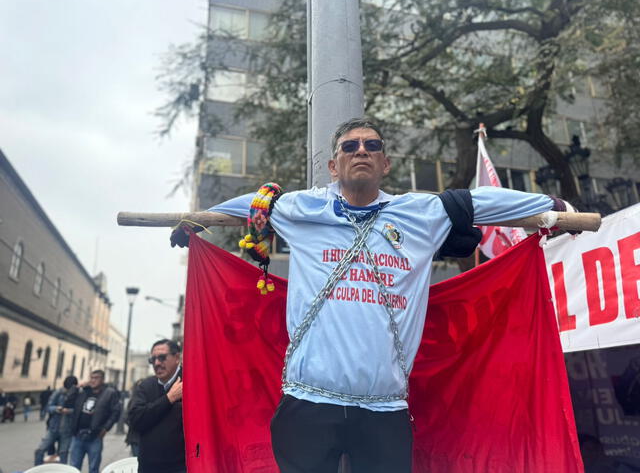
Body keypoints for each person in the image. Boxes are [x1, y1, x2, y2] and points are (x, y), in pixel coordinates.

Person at [171, 118, 573, 473]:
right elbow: (252, 206)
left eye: (372, 145)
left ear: (385, 163)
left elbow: (482, 202)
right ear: (333, 166)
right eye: (350, 146)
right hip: (307, 404)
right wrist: (196, 218)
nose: (361, 150)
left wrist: (554, 206)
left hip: (385, 410)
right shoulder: (302, 208)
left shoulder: (421, 214)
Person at [128, 339, 185, 473]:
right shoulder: (146, 385)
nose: (157, 363)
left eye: (162, 357)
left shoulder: (192, 381)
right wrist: (169, 398)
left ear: (177, 357)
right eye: (153, 359)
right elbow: (136, 420)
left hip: (181, 467)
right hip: (149, 466)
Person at [69, 370, 121, 473]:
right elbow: (69, 401)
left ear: (102, 380)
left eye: (96, 378)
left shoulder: (109, 393)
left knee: (93, 468)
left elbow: (116, 412)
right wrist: (76, 388)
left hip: (94, 437)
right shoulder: (84, 391)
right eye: (91, 378)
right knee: (74, 468)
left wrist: (106, 428)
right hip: (78, 435)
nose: (93, 380)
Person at [34, 376, 78, 465]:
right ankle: (38, 470)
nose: (68, 391)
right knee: (40, 450)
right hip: (53, 428)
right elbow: (48, 407)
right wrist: (56, 409)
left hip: (67, 430)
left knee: (63, 454)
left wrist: (69, 411)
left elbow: (78, 411)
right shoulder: (58, 393)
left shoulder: (77, 394)